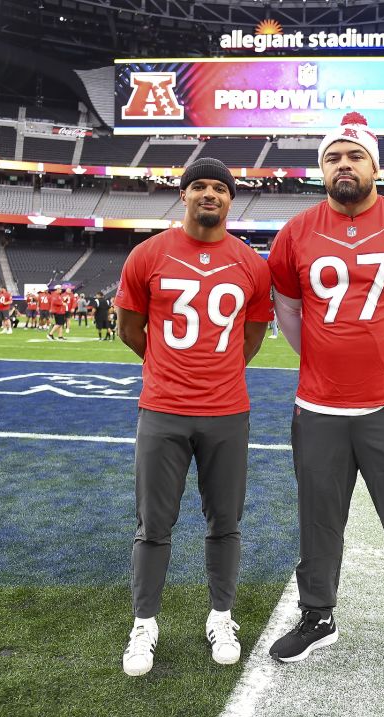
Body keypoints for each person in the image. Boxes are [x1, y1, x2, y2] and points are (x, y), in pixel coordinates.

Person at [266, 112, 384, 678]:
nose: (342, 165)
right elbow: (290, 313)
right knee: (318, 520)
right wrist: (325, 362)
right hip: (319, 407)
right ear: (321, 169)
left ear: (375, 164)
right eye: (332, 157)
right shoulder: (296, 231)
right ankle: (318, 616)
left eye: (353, 156)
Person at [113, 157, 273, 677]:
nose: (210, 194)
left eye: (219, 188)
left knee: (225, 523)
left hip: (227, 411)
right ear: (183, 195)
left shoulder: (251, 263)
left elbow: (250, 337)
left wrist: (215, 373)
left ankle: (221, 616)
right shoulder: (148, 254)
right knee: (153, 525)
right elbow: (131, 329)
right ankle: (144, 624)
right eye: (199, 186)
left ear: (231, 199)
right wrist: (170, 371)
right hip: (162, 409)